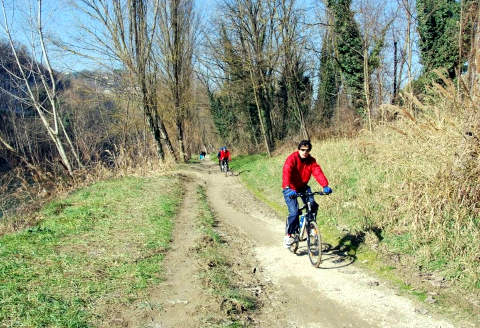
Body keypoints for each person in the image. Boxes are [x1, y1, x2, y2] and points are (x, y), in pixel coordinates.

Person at [282, 140, 332, 248]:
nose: (305, 152)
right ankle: (288, 235)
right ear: (298, 149)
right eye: (302, 150)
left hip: (303, 187)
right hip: (290, 188)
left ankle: (311, 228)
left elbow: (317, 172)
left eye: (307, 150)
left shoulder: (311, 161)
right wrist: (287, 187)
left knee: (313, 205)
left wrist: (325, 185)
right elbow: (286, 172)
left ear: (309, 151)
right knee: (294, 213)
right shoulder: (292, 159)